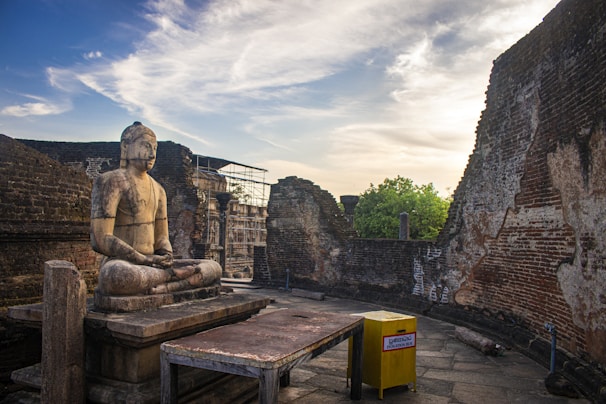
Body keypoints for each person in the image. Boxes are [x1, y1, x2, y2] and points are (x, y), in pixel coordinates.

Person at [90, 122, 221, 295]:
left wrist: (166, 254)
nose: (152, 154)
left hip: (153, 266)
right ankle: (172, 280)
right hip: (124, 262)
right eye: (145, 146)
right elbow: (100, 238)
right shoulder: (110, 181)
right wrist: (142, 259)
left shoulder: (158, 189)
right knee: (116, 276)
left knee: (214, 267)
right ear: (125, 146)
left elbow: (161, 237)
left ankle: (168, 284)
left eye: (155, 148)